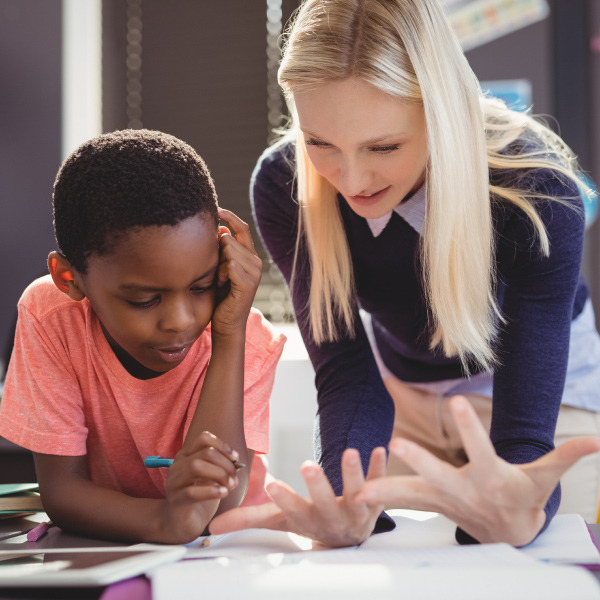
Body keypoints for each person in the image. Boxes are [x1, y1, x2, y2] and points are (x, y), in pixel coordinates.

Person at [210, 0, 600, 547]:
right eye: (320, 142)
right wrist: (345, 497)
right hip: (404, 397)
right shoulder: (282, 186)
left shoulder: (535, 187)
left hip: (548, 392)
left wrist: (520, 501)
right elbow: (345, 363)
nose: (352, 178)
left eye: (383, 146)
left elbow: (525, 431)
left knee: (536, 552)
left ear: (441, 111)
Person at [0, 129, 285, 543]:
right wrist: (167, 521)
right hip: (110, 543)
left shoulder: (245, 332)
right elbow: (61, 492)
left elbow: (219, 506)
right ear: (69, 277)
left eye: (201, 286)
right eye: (144, 299)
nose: (179, 321)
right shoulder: (51, 317)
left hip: (230, 547)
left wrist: (228, 333)